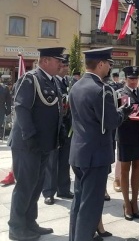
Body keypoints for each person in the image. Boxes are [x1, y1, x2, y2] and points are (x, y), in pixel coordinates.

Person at [68, 47, 132, 240]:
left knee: (79, 202)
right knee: (91, 206)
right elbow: (111, 122)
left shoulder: (76, 86)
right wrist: (124, 111)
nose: (109, 68)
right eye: (109, 64)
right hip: (95, 155)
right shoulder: (101, 90)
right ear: (101, 64)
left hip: (79, 152)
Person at [7, 47, 64, 240]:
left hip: (44, 144)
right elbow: (21, 108)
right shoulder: (30, 79)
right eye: (58, 61)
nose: (61, 64)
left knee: (36, 186)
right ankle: (16, 228)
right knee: (25, 186)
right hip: (27, 145)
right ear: (46, 60)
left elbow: (55, 110)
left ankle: (30, 223)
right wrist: (30, 137)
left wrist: (59, 133)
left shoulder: (53, 81)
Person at [116, 66, 139, 221]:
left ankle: (135, 202)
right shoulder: (120, 93)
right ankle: (126, 203)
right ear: (125, 79)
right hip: (126, 135)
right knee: (124, 169)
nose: (134, 81)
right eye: (131, 79)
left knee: (138, 167)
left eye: (136, 79)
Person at [43, 54, 74, 205]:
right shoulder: (52, 81)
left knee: (65, 159)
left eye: (67, 65)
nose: (66, 68)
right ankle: (49, 192)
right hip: (55, 126)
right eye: (64, 65)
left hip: (68, 126)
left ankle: (64, 188)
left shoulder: (70, 82)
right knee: (51, 160)